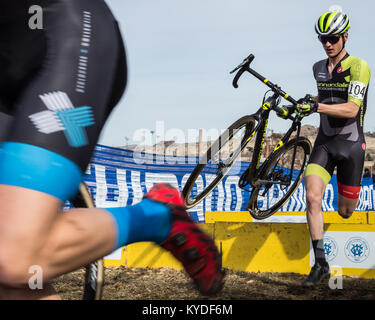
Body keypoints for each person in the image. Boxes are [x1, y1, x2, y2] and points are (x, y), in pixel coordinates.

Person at [0, 0, 224, 299]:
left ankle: (158, 217)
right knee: (14, 276)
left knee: (15, 256)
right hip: (9, 68)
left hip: (64, 35)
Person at [297, 10, 370, 287]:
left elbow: (352, 108)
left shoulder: (359, 66)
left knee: (345, 212)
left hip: (351, 145)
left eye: (333, 38)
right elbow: (327, 96)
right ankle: (321, 263)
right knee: (312, 198)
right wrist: (306, 102)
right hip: (325, 143)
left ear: (345, 37)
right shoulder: (317, 67)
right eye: (322, 39)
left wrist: (317, 106)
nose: (327, 43)